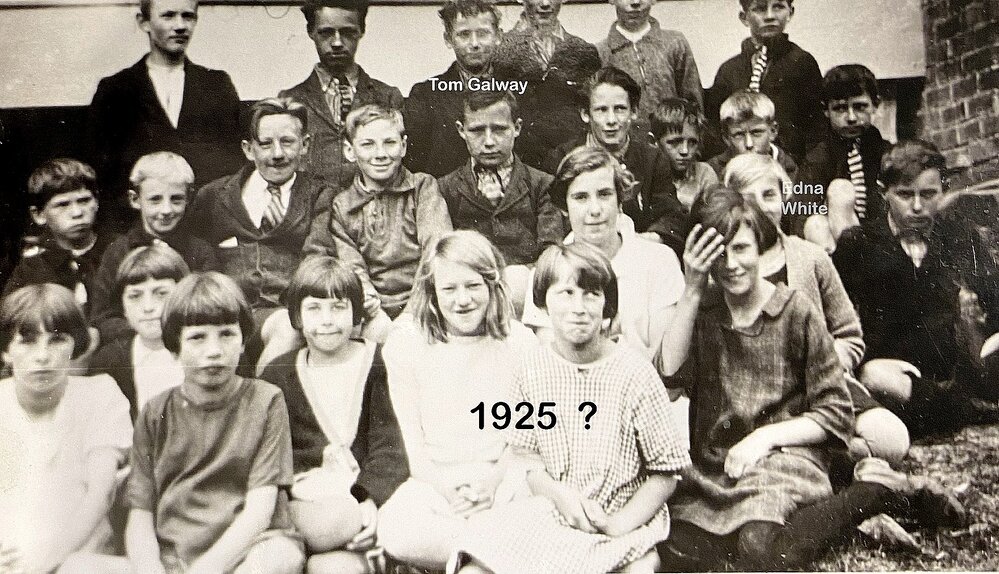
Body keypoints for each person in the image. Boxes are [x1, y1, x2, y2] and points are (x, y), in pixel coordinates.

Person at [658, 188, 965, 570]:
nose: (732, 264)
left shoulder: (793, 311)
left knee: (760, 549)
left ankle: (875, 492)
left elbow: (835, 411)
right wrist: (691, 290)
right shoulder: (703, 312)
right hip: (718, 467)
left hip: (786, 458)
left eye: (741, 249)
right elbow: (668, 378)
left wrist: (763, 438)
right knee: (678, 549)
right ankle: (847, 514)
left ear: (759, 247)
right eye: (719, 253)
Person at [454, 242, 690, 574]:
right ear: (543, 302)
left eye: (591, 294)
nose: (578, 308)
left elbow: (665, 475)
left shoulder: (635, 374)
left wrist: (617, 524)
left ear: (607, 305)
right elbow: (527, 459)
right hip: (553, 511)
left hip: (620, 515)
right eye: (566, 293)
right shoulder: (531, 369)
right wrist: (558, 495)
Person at [377, 231, 538, 570]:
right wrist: (450, 494)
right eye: (449, 289)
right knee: (395, 529)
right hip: (437, 484)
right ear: (432, 292)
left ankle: (471, 560)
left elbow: (525, 442)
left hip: (504, 480)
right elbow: (415, 451)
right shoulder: (406, 346)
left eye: (473, 286)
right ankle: (490, 557)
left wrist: (491, 486)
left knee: (536, 515)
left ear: (492, 285)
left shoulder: (521, 343)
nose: (462, 300)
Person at [124, 272, 305, 574]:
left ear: (243, 340)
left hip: (252, 548)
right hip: (177, 554)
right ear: (174, 347)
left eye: (226, 334)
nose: (214, 351)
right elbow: (140, 512)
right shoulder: (156, 412)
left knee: (277, 558)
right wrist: (150, 568)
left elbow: (259, 511)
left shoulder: (266, 400)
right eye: (197, 338)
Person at [832, 140, 999, 438]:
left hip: (955, 373)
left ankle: (958, 407)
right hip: (894, 377)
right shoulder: (858, 244)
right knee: (874, 377)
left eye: (929, 194)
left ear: (943, 190)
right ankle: (962, 410)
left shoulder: (960, 236)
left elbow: (994, 298)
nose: (918, 207)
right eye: (905, 195)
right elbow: (832, 317)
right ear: (883, 192)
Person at [260, 256, 409, 574]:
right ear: (297, 316)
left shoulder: (379, 364)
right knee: (331, 522)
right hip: (308, 504)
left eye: (338, 307)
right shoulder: (279, 374)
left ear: (356, 313)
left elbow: (390, 446)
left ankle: (359, 550)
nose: (326, 320)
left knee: (335, 566)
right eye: (314, 309)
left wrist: (367, 498)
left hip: (363, 499)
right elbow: (273, 453)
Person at [0, 284, 132, 574]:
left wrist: (42, 563)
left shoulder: (99, 395)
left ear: (76, 346)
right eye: (27, 341)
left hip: (79, 559)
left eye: (57, 340)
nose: (43, 356)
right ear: (6, 351)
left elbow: (101, 493)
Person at [523, 147, 685, 370]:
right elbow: (555, 364)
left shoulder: (659, 260)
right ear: (564, 207)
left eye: (604, 194)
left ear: (620, 200)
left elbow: (666, 365)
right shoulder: (546, 270)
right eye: (581, 197)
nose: (595, 209)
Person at [87, 0, 243, 229]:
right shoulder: (115, 90)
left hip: (206, 227)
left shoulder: (216, 85)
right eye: (168, 15)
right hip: (137, 228)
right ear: (144, 22)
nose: (180, 26)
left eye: (187, 16)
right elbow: (102, 172)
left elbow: (233, 163)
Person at [189, 98, 332, 329]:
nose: (277, 154)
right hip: (224, 315)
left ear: (305, 145)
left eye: (287, 142)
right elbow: (194, 254)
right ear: (248, 149)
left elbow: (316, 258)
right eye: (265, 144)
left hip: (290, 316)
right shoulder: (214, 196)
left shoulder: (320, 196)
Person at [304, 104, 453, 323]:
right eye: (368, 144)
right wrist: (369, 301)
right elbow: (353, 266)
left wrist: (412, 312)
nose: (380, 154)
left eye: (389, 143)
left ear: (403, 146)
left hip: (426, 299)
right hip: (374, 309)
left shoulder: (422, 188)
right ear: (349, 151)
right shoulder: (343, 206)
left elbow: (436, 250)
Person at [544, 67, 687, 255]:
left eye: (620, 109)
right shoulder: (561, 159)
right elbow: (553, 222)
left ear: (634, 112)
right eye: (601, 110)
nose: (611, 120)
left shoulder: (652, 159)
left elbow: (672, 217)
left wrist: (639, 242)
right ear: (585, 114)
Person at [90, 152, 216, 344]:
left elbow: (211, 307)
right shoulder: (118, 252)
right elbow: (102, 317)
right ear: (135, 199)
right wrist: (146, 334)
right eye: (155, 199)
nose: (166, 210)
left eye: (176, 199)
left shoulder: (200, 252)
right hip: (133, 343)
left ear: (188, 199)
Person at [281, 0, 405, 189]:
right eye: (326, 33)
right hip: (311, 205)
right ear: (311, 32)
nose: (337, 43)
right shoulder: (290, 100)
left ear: (361, 31)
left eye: (347, 33)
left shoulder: (388, 97)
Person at [438, 90, 564, 266]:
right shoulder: (445, 188)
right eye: (477, 131)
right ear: (461, 130)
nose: (489, 142)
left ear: (517, 128)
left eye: (499, 129)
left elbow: (551, 253)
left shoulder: (543, 184)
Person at [705, 0, 825, 163]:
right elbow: (715, 130)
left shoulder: (802, 63)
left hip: (788, 164)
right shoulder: (729, 70)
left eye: (778, 7)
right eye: (760, 9)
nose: (769, 16)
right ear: (744, 17)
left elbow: (816, 129)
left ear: (790, 12)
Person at [492, 0, 602, 169]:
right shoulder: (499, 51)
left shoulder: (584, 51)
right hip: (518, 162)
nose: (545, 3)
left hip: (570, 160)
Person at [4, 158, 114, 321]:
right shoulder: (31, 269)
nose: (77, 213)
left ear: (96, 202)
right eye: (62, 204)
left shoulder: (119, 251)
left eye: (84, 200)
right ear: (39, 215)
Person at [89, 244, 190, 421]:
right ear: (123, 306)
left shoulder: (204, 352)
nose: (148, 307)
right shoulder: (109, 361)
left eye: (161, 293)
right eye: (135, 296)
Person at [404, 0, 504, 177]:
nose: (474, 43)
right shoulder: (425, 95)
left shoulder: (519, 88)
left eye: (483, 33)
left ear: (498, 36)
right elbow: (415, 164)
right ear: (448, 39)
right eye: (464, 34)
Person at [799, 64, 893, 249]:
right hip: (836, 248)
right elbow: (802, 216)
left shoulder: (887, 154)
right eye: (840, 108)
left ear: (875, 104)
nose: (851, 117)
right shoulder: (817, 160)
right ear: (826, 110)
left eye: (860, 107)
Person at [597, 0, 702, 137]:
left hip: (673, 142)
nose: (635, 2)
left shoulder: (675, 43)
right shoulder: (601, 52)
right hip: (627, 142)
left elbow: (694, 104)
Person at [707, 90, 801, 232]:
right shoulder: (713, 170)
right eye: (738, 134)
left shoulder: (789, 169)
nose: (749, 144)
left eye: (756, 132)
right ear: (726, 138)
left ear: (773, 131)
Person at [650, 97, 718, 211]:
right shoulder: (647, 175)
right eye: (675, 142)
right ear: (654, 142)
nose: (685, 151)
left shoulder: (704, 175)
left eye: (692, 142)